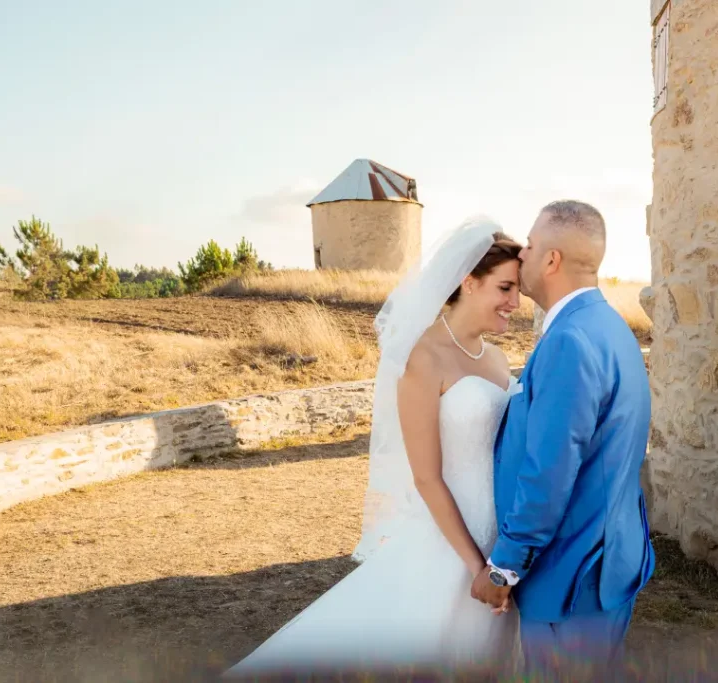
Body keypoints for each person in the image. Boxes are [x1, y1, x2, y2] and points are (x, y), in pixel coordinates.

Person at [224, 218, 523, 678]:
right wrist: (476, 565)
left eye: (518, 290)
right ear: (469, 281)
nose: (515, 303)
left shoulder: (498, 358)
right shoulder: (423, 358)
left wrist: (504, 559)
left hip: (500, 539)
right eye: (505, 288)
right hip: (450, 545)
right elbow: (426, 477)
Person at [470, 200, 655, 677]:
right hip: (609, 561)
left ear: (550, 260)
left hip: (572, 576)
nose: (523, 254)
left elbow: (549, 471)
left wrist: (503, 568)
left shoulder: (569, 341)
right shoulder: (610, 327)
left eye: (531, 245)